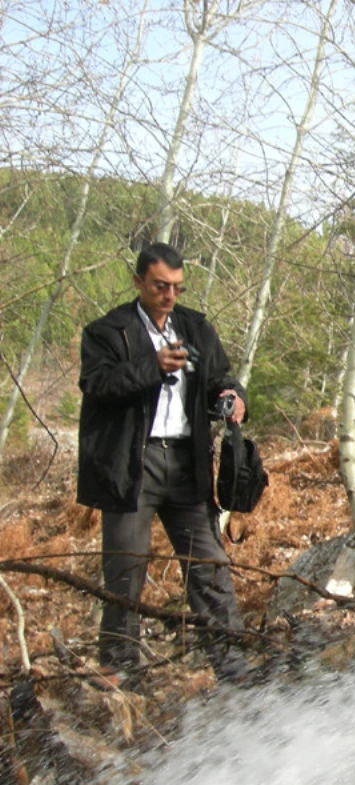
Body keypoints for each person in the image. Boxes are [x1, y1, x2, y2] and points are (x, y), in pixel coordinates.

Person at [78, 242, 249, 682]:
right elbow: (97, 384)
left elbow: (220, 377)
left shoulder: (194, 326)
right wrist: (151, 366)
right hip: (132, 464)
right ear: (138, 283)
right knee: (125, 573)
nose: (170, 295)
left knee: (209, 566)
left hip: (186, 463)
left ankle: (235, 670)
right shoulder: (107, 331)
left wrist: (232, 398)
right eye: (160, 286)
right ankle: (121, 678)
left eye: (176, 286)